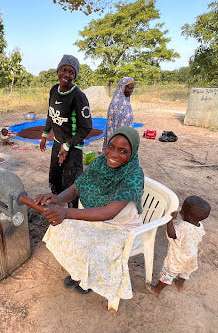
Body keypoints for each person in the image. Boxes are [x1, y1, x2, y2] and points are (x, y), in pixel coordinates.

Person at [34, 126, 144, 307]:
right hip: (96, 219)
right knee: (63, 231)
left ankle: (88, 279)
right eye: (111, 146)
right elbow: (77, 187)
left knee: (98, 247)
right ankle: (79, 272)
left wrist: (67, 212)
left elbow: (110, 212)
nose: (114, 154)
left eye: (123, 151)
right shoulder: (100, 164)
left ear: (133, 153)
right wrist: (56, 200)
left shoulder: (133, 175)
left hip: (121, 228)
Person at [40, 54, 92, 208]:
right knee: (55, 176)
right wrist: (44, 134)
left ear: (74, 75)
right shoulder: (53, 90)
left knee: (71, 183)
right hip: (57, 143)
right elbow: (51, 113)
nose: (66, 75)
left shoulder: (78, 97)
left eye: (71, 72)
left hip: (73, 147)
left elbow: (86, 127)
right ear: (58, 71)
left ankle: (73, 213)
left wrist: (68, 145)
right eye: (64, 70)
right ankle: (57, 207)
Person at [146, 196, 211, 296]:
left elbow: (172, 235)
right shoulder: (200, 226)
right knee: (185, 272)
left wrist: (169, 220)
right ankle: (180, 285)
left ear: (184, 213)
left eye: (182, 209)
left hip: (178, 258)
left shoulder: (183, 227)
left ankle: (157, 290)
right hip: (191, 256)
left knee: (168, 274)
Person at [102, 77, 135, 152]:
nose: (131, 91)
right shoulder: (116, 104)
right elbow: (111, 127)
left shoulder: (127, 102)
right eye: (129, 88)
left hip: (126, 137)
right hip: (118, 140)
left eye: (132, 88)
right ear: (122, 87)